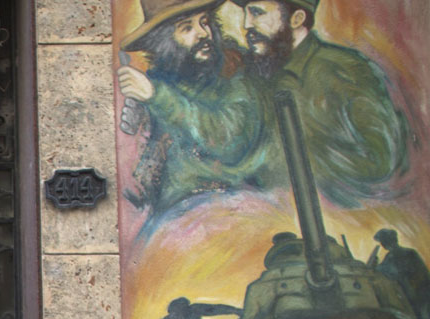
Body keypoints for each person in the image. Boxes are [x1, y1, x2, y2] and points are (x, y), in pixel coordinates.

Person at [233, 0, 409, 207]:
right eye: (246, 14)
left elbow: (380, 161)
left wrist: (291, 163)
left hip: (343, 215)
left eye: (257, 13)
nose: (246, 25)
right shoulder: (254, 75)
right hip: (266, 213)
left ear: (297, 19)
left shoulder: (346, 70)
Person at [115, 0, 268, 216]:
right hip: (173, 217)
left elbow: (229, 139)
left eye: (204, 23)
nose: (203, 34)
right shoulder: (163, 79)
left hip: (235, 210)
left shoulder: (235, 72)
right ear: (164, 40)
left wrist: (156, 97)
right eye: (187, 28)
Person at [369, 229, 430, 319]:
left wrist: (374, 266)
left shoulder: (398, 256)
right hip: (416, 293)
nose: (382, 245)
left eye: (383, 241)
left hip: (416, 294)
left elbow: (383, 271)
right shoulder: (407, 253)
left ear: (386, 242)